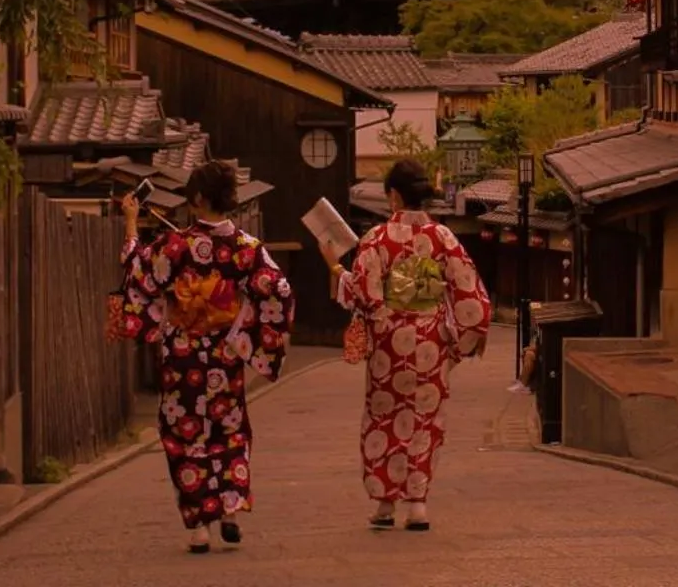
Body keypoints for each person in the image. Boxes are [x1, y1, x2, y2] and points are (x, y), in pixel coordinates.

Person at [118, 161, 295, 553]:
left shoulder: (175, 245)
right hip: (224, 352)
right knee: (228, 429)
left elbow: (138, 274)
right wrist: (245, 334)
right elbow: (279, 291)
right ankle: (229, 509)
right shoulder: (247, 249)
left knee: (184, 434)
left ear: (198, 198)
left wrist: (131, 224)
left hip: (183, 353)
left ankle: (199, 525)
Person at [322, 158, 492, 532]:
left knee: (383, 420)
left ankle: (385, 505)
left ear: (394, 196)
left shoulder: (377, 239)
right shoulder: (443, 238)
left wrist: (337, 270)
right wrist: (458, 344)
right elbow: (471, 296)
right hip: (430, 342)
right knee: (425, 421)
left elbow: (365, 292)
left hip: (388, 345)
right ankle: (418, 505)